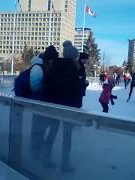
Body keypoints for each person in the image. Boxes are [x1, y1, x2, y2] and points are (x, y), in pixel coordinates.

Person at [46, 40, 83, 173]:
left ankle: (46, 158)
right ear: (73, 57)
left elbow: (49, 85)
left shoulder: (54, 67)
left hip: (55, 106)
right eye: (76, 57)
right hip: (68, 108)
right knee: (67, 137)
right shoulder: (72, 69)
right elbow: (73, 90)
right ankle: (65, 163)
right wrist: (81, 84)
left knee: (52, 132)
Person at [29, 45, 60, 168]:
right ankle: (35, 153)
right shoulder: (38, 68)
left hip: (51, 106)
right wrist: (47, 88)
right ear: (48, 59)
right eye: (52, 59)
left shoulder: (51, 68)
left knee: (51, 132)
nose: (53, 62)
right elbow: (34, 87)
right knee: (38, 132)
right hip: (40, 105)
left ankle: (46, 156)